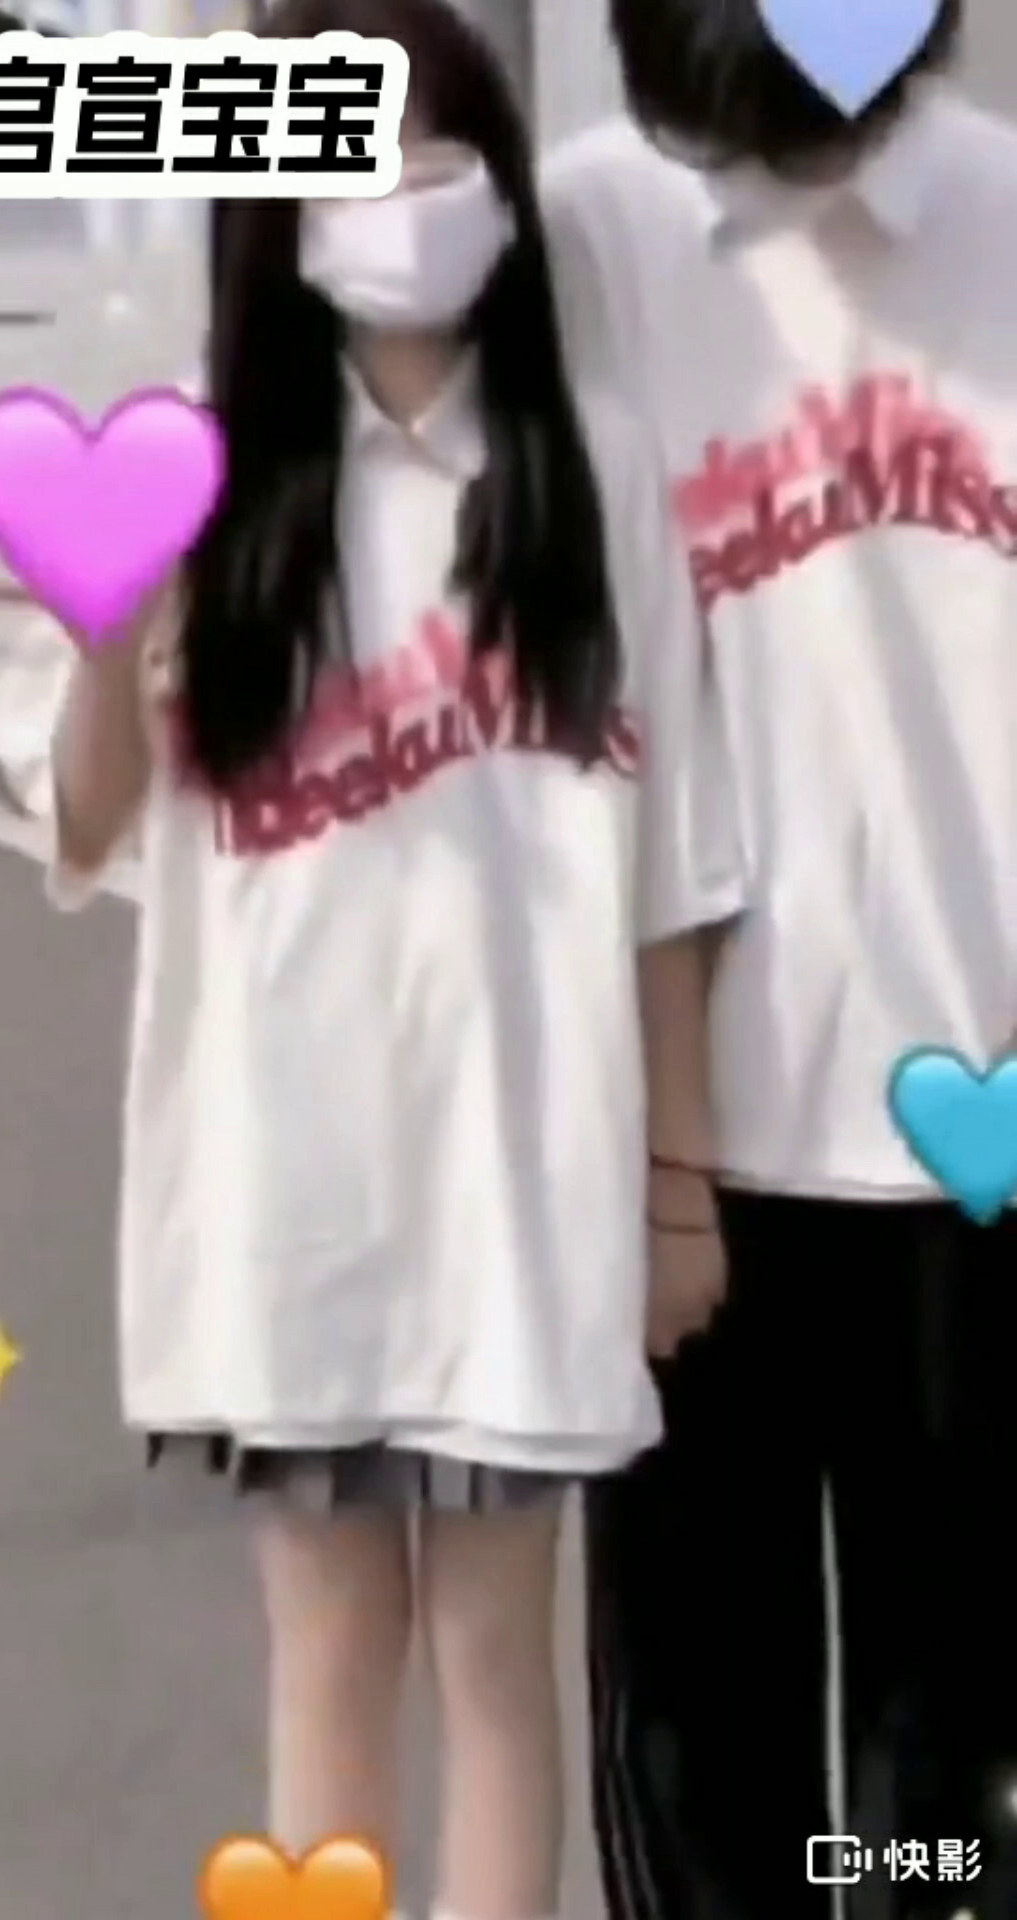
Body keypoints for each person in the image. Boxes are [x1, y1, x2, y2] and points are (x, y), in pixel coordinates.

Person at [0, 1, 747, 1916]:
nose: (405, 191)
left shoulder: (592, 475)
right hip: (289, 1204)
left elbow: (674, 873)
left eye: (443, 147)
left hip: (518, 1198)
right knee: (326, 1661)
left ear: (506, 187)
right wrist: (105, 630)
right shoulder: (198, 471)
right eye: (359, 151)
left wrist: (677, 1195)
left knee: (495, 1672)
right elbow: (86, 819)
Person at [539, 3, 1017, 1918]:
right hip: (683, 1132)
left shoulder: (1004, 219)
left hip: (979, 1142)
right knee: (699, 1733)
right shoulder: (592, 232)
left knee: (945, 1754)